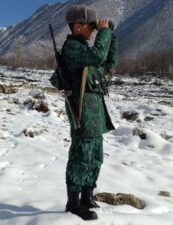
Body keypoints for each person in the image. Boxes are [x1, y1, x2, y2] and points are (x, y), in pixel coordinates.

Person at [50, 5, 118, 221]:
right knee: (81, 156)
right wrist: (104, 33)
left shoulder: (86, 50)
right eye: (91, 27)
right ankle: (73, 202)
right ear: (78, 27)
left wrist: (111, 35)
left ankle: (87, 196)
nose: (93, 30)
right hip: (82, 110)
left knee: (95, 156)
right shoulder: (73, 48)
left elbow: (109, 62)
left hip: (95, 111)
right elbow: (98, 56)